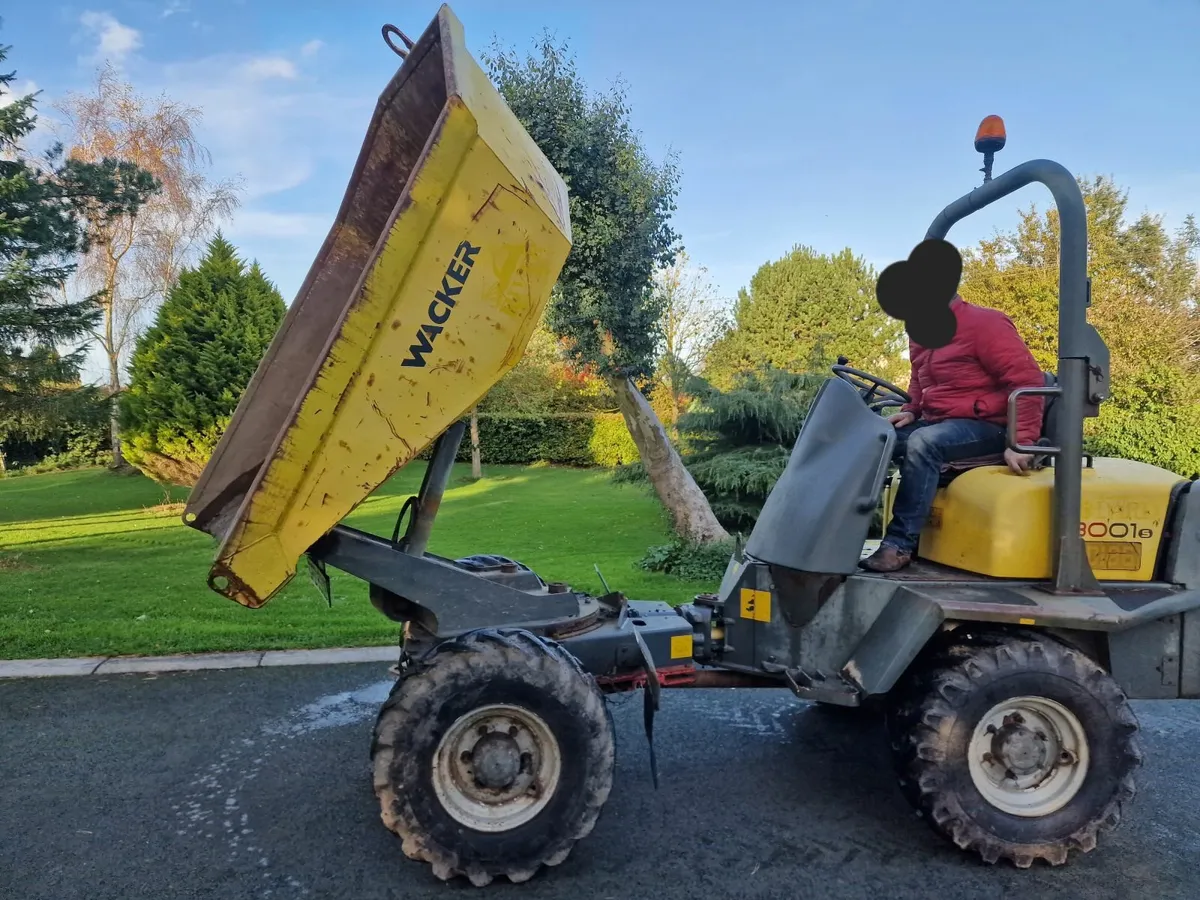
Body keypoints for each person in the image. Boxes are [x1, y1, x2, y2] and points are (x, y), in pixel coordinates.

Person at [859, 294, 1046, 573]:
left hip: (992, 426)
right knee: (875, 436)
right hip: (941, 422)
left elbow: (1027, 382)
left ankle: (898, 546)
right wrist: (912, 409)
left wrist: (1022, 441)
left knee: (925, 442)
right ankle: (837, 531)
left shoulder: (986, 323)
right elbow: (919, 377)